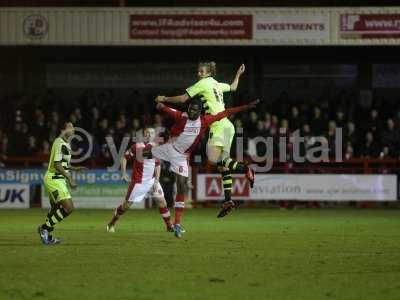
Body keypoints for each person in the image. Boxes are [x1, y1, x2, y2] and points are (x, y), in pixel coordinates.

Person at [142, 97, 259, 238]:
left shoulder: (205, 121)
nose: (191, 111)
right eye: (190, 108)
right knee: (143, 154)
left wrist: (246, 106)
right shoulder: (181, 115)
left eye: (194, 110)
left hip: (181, 157)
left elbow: (226, 112)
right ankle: (137, 179)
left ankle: (177, 224)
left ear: (200, 111)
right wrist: (161, 106)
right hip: (169, 148)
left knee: (181, 188)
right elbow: (166, 109)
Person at [155, 62, 255, 217]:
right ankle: (228, 200)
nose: (199, 73)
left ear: (208, 72)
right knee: (223, 165)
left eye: (201, 71)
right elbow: (233, 87)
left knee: (213, 159)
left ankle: (245, 169)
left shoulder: (202, 84)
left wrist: (164, 98)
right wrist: (238, 74)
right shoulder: (216, 84)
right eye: (198, 71)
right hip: (228, 125)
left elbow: (183, 99)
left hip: (218, 126)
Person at [106, 128, 173, 233]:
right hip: (138, 182)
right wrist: (123, 173)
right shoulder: (136, 146)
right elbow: (124, 158)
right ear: (144, 134)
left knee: (162, 201)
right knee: (126, 205)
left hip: (151, 181)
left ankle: (169, 226)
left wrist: (156, 180)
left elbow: (158, 165)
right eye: (147, 133)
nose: (149, 134)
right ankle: (112, 223)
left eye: (151, 133)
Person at [37, 122, 86, 245]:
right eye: (70, 127)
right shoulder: (59, 143)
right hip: (54, 179)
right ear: (63, 130)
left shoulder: (66, 144)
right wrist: (70, 177)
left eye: (73, 127)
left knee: (56, 208)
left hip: (58, 179)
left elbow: (64, 164)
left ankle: (47, 235)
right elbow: (57, 164)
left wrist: (75, 169)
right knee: (69, 208)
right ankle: (45, 228)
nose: (73, 129)